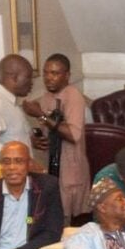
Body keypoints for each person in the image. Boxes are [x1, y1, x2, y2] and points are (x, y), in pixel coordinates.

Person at [24, 53, 90, 223]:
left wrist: (40, 115)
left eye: (54, 73)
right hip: (51, 167)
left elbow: (73, 134)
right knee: (49, 216)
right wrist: (35, 140)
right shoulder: (46, 97)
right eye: (46, 73)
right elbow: (47, 130)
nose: (48, 78)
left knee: (66, 220)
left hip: (70, 168)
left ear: (67, 75)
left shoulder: (73, 95)